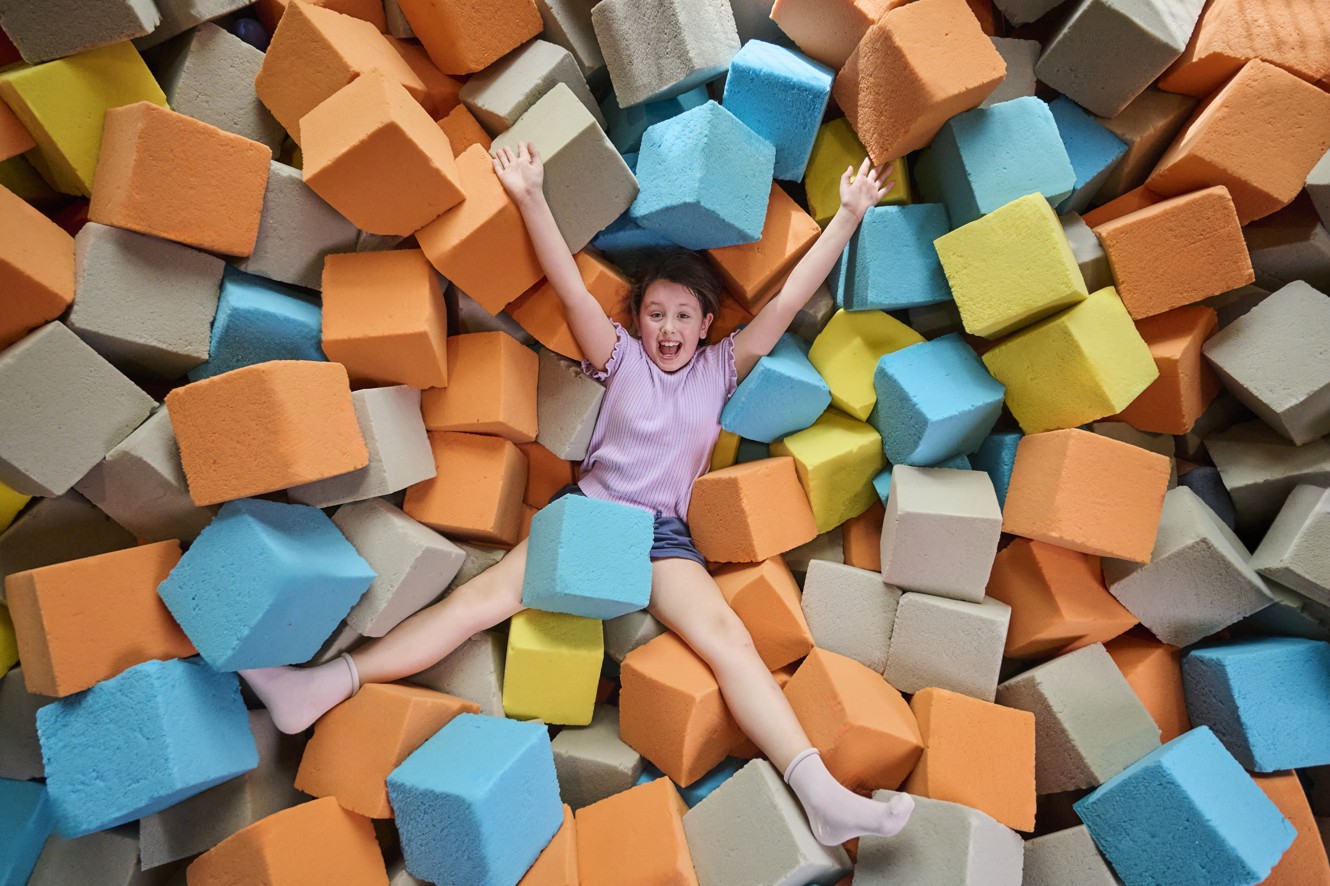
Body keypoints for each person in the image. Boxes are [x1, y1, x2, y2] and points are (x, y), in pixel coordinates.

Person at [242, 141, 913, 847]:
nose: (669, 329)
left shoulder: (721, 370)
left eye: (684, 316)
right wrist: (530, 194)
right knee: (478, 604)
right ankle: (323, 686)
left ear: (707, 324)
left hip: (662, 539)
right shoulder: (618, 360)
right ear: (637, 321)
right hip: (591, 519)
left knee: (728, 640)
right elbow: (567, 286)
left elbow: (785, 302)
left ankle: (821, 796)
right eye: (656, 314)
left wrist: (847, 215)